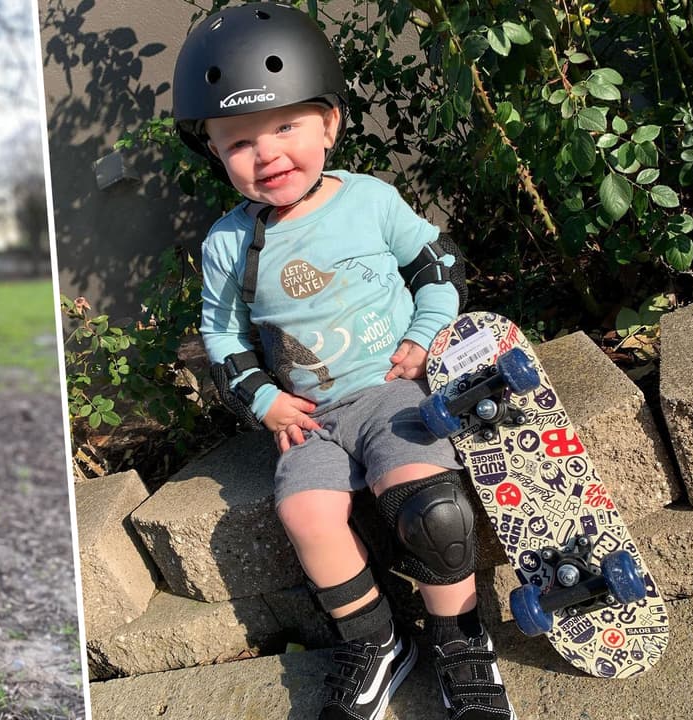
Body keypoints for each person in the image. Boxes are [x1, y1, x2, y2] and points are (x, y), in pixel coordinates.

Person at [172, 4, 514, 720]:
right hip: (312, 419)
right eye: (238, 142)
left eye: (286, 126)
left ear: (328, 122)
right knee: (305, 513)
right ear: (212, 150)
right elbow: (223, 336)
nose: (265, 153)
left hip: (392, 393)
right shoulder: (228, 245)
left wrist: (425, 336)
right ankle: (379, 640)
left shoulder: (369, 200)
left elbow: (438, 264)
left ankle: (461, 641)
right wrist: (264, 400)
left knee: (433, 510)